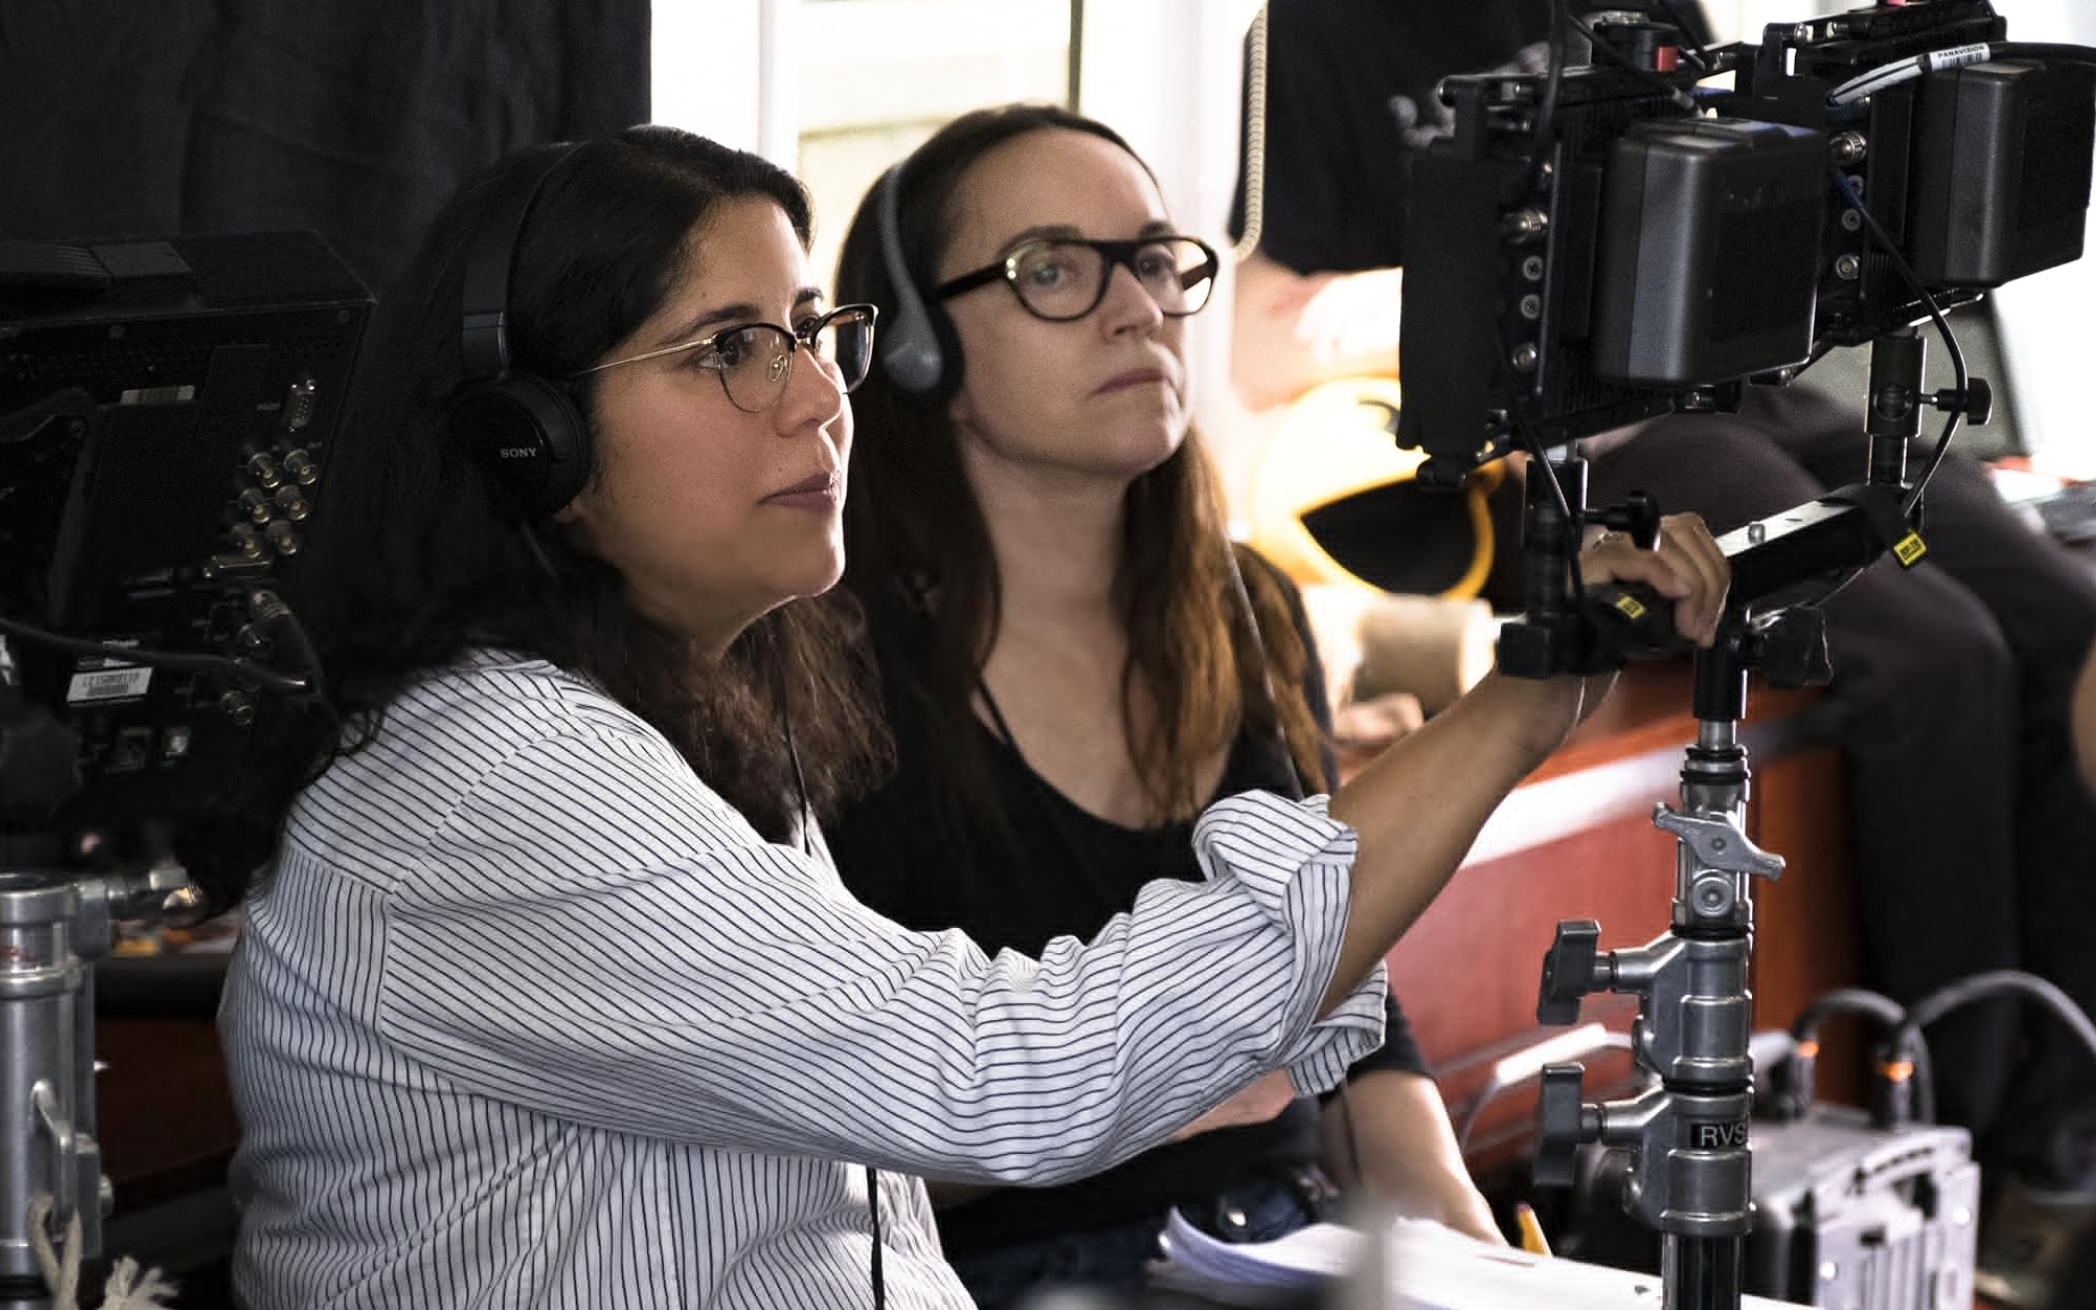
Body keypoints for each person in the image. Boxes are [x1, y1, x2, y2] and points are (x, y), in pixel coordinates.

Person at [195, 124, 1727, 1309]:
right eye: (733, 349)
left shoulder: (707, 707)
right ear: (528, 444)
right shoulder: (494, 774)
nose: (817, 398)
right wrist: (1512, 709)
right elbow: (1009, 1081)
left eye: (810, 330)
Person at [1228, 0, 2096, 1202]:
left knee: (2063, 620)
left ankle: (2067, 1113)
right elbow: (1258, 347)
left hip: (1751, 390)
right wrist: (1537, 266)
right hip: (1585, 439)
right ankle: (1983, 1149)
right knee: (1937, 655)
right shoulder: (1324, 32)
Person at [825, 104, 1519, 1308]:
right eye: (1051, 269)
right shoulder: (824, 669)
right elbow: (812, 1146)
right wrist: (1156, 1088)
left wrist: (1472, 1259)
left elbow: (1339, 990)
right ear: (913, 349)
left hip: (1287, 1246)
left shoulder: (1246, 607)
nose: (1135, 304)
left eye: (1151, 260)